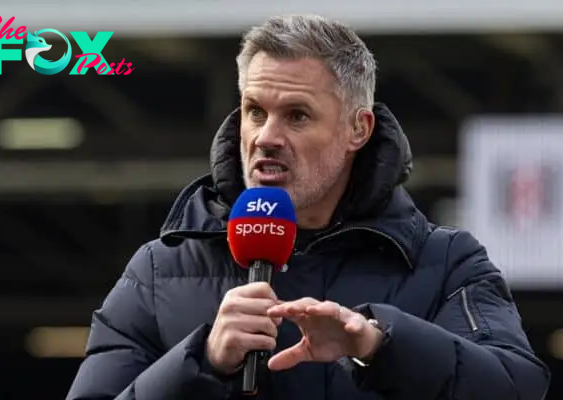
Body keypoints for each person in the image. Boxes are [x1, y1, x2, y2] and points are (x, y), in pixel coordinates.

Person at [66, 14, 550, 400]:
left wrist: (378, 345)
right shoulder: (159, 268)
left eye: (296, 116)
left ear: (357, 130)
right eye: (255, 111)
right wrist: (202, 361)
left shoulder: (445, 264)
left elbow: (517, 386)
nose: (266, 137)